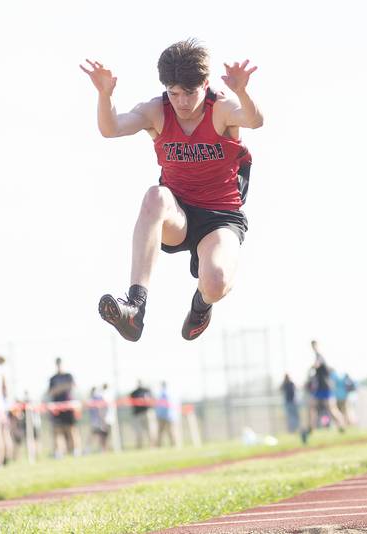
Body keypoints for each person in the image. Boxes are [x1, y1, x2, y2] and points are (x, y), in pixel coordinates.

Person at [81, 38, 263, 342]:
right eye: (174, 93)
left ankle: (201, 305)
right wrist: (104, 96)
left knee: (216, 282)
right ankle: (135, 307)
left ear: (205, 84)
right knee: (155, 195)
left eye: (189, 93)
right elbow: (111, 128)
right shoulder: (157, 111)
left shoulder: (220, 109)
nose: (181, 102)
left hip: (220, 217)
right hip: (176, 212)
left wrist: (242, 91)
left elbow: (255, 120)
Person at [302, 341, 346, 442]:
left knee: (331, 409)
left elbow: (316, 365)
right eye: (312, 346)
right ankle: (311, 428)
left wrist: (311, 367)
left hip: (326, 388)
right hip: (319, 389)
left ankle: (341, 424)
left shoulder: (320, 356)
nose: (313, 348)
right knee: (312, 407)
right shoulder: (317, 356)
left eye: (314, 346)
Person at [48, 357, 81, 458]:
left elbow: (73, 386)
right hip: (58, 408)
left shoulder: (68, 376)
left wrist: (59, 389)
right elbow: (51, 392)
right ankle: (59, 452)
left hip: (69, 407)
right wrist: (62, 388)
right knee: (58, 431)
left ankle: (76, 450)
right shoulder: (53, 378)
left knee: (72, 429)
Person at [129, 380, 154, 449]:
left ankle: (152, 446)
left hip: (147, 413)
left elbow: (152, 401)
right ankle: (139, 447)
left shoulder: (147, 391)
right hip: (137, 414)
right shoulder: (134, 393)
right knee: (138, 432)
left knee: (150, 430)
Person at [155, 381, 178, 447]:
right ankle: (173, 445)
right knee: (168, 431)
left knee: (166, 432)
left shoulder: (163, 394)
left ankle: (172, 445)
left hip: (165, 416)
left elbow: (164, 406)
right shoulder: (171, 393)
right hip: (170, 416)